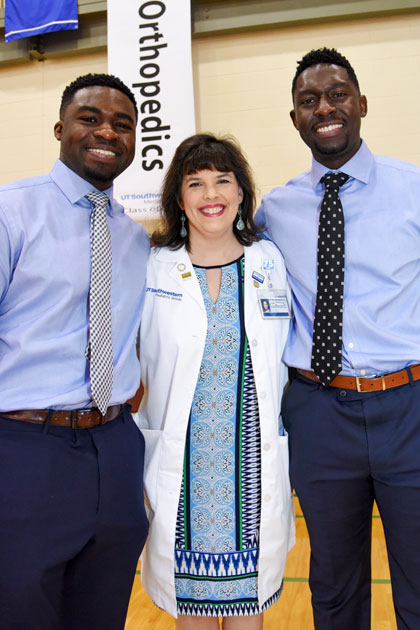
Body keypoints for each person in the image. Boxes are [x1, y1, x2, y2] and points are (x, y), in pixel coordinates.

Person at [256, 47, 420, 630]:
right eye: (309, 100)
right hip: (319, 410)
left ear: (362, 104)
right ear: (295, 118)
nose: (325, 107)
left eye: (337, 94)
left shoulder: (413, 189)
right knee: (332, 584)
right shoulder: (273, 210)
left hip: (409, 406)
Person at [0, 73, 150, 630]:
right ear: (60, 127)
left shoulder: (134, 239)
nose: (106, 132)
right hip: (24, 447)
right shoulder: (11, 212)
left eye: (122, 124)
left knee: (101, 613)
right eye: (90, 118)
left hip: (113, 449)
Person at [136, 133, 295, 629]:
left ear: (242, 193)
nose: (211, 195)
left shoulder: (270, 261)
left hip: (252, 469)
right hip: (185, 475)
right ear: (179, 199)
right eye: (196, 183)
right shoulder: (154, 268)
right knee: (193, 616)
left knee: (250, 610)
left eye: (223, 181)